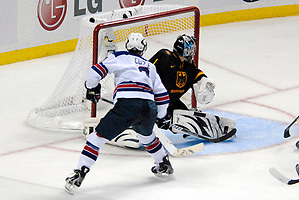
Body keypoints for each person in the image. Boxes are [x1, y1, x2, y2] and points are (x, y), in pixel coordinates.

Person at [65, 33, 173, 194]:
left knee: (97, 138)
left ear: (128, 45)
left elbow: (95, 72)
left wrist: (91, 87)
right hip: (148, 107)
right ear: (144, 48)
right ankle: (163, 162)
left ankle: (80, 172)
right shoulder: (150, 66)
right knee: (146, 136)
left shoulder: (120, 56)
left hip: (127, 105)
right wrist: (162, 116)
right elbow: (163, 95)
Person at [149, 34, 236, 142]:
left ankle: (213, 129)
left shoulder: (187, 65)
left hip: (171, 102)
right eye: (191, 49)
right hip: (153, 102)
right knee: (176, 119)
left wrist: (204, 80)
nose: (192, 52)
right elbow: (146, 70)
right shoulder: (164, 56)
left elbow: (195, 74)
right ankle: (131, 131)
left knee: (187, 118)